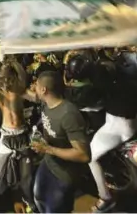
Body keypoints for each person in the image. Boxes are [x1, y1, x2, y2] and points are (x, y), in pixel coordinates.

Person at [88, 52, 137, 212]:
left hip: (116, 127)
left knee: (90, 157)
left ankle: (105, 197)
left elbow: (99, 88)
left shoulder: (118, 85)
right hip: (132, 124)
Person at [27, 71, 91, 213]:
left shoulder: (68, 114)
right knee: (38, 196)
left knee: (54, 209)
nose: (33, 87)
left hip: (64, 174)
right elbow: (22, 92)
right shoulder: (46, 103)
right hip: (49, 163)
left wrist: (48, 149)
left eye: (36, 84)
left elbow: (83, 155)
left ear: (44, 90)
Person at [0, 60, 36, 212]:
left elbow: (36, 98)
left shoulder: (19, 90)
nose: (6, 79)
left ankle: (28, 201)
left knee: (27, 176)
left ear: (14, 76)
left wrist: (14, 63)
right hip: (6, 136)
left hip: (22, 135)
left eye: (9, 76)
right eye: (4, 76)